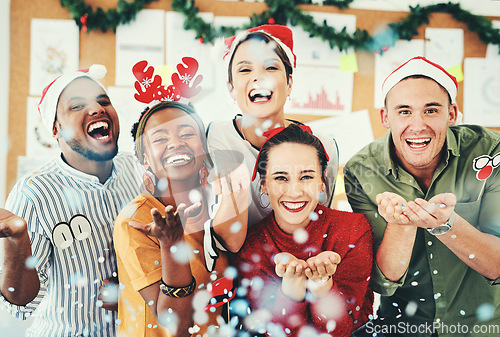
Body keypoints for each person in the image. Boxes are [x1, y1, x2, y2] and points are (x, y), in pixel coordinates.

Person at [344, 56, 500, 337]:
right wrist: (401, 226)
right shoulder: (362, 170)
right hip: (402, 327)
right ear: (385, 117)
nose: (418, 125)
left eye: (431, 110)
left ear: (452, 114)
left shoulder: (490, 153)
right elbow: (383, 281)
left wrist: (447, 225)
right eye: (404, 111)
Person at [0, 65, 141, 337]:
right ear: (55, 128)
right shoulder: (34, 192)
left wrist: (131, 291)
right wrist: (18, 241)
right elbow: (21, 305)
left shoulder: (137, 171)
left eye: (103, 101)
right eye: (77, 106)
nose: (98, 109)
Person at [113, 59, 249, 337]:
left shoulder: (219, 202)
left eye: (187, 133)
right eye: (160, 138)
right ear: (146, 158)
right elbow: (174, 322)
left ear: (204, 147)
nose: (176, 143)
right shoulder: (136, 220)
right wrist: (172, 244)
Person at [232, 124, 373, 336]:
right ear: (263, 183)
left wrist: (322, 284)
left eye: (306, 176)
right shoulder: (251, 250)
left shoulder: (353, 230)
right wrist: (291, 287)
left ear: (322, 180)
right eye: (281, 177)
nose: (295, 191)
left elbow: (342, 329)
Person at [207, 24, 339, 227]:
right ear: (231, 89)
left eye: (271, 67)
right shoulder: (214, 137)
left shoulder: (323, 145)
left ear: (289, 83)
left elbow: (321, 220)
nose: (259, 77)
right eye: (244, 69)